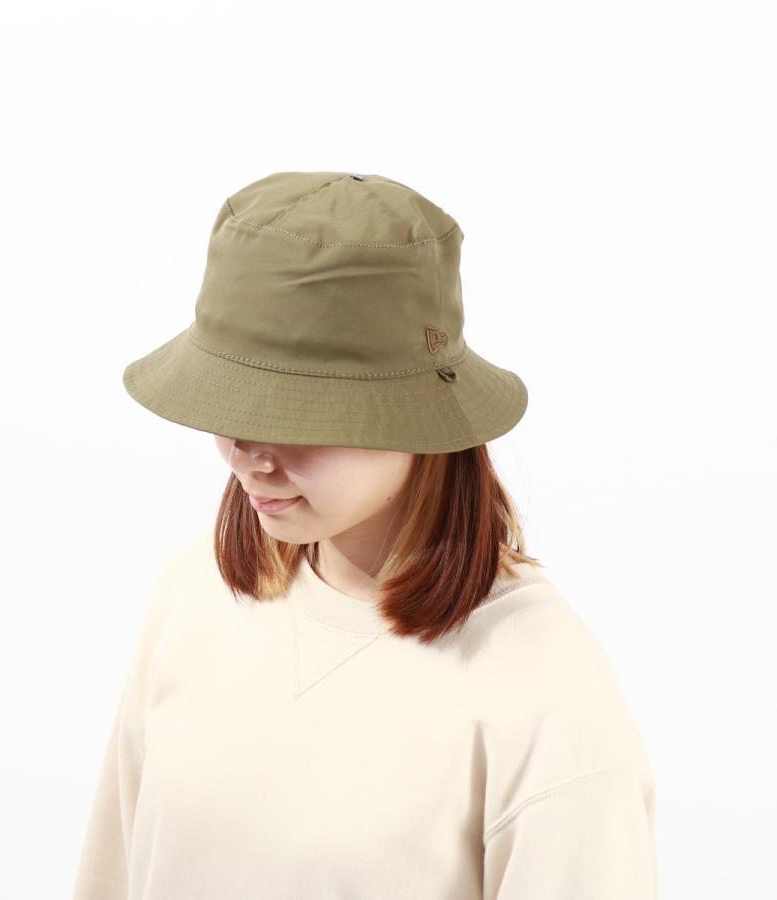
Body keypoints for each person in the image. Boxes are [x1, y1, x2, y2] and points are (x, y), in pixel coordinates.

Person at [72, 171, 659, 899]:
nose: (248, 455)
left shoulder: (544, 690)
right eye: (229, 403)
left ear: (414, 414)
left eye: (295, 412)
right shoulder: (197, 593)